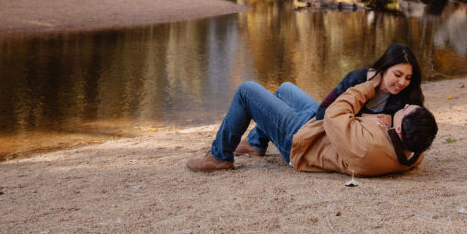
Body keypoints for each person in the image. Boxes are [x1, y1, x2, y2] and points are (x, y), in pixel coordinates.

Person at [186, 72, 437, 177]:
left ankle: (219, 156)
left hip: (301, 141)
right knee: (285, 89)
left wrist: (368, 87)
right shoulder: (413, 153)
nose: (402, 107)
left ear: (402, 128)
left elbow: (335, 113)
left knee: (246, 90)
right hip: (319, 132)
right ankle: (256, 143)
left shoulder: (367, 148)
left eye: (405, 112)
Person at [314, 43, 425, 122]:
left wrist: (392, 120)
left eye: (408, 78)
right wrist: (362, 117)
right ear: (384, 68)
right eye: (397, 75)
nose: (402, 82)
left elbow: (414, 130)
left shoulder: (407, 96)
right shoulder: (356, 79)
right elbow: (320, 114)